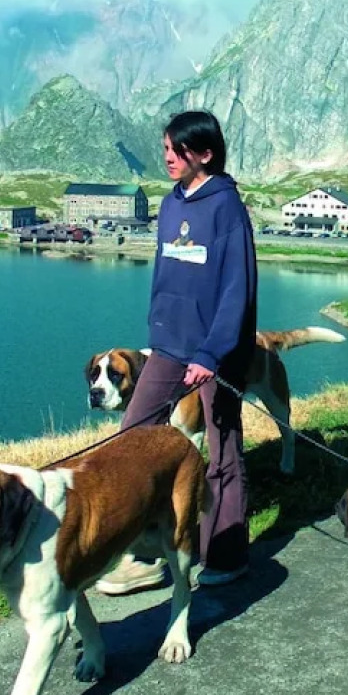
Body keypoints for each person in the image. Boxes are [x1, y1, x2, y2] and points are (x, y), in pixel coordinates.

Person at [96, 110, 258, 595]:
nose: (167, 157)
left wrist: (211, 353)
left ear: (204, 154)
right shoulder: (169, 205)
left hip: (216, 354)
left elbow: (237, 289)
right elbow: (167, 276)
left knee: (221, 451)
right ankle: (147, 555)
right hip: (168, 346)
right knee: (133, 438)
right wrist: (158, 327)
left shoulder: (226, 207)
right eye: (165, 147)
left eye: (177, 149)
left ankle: (225, 555)